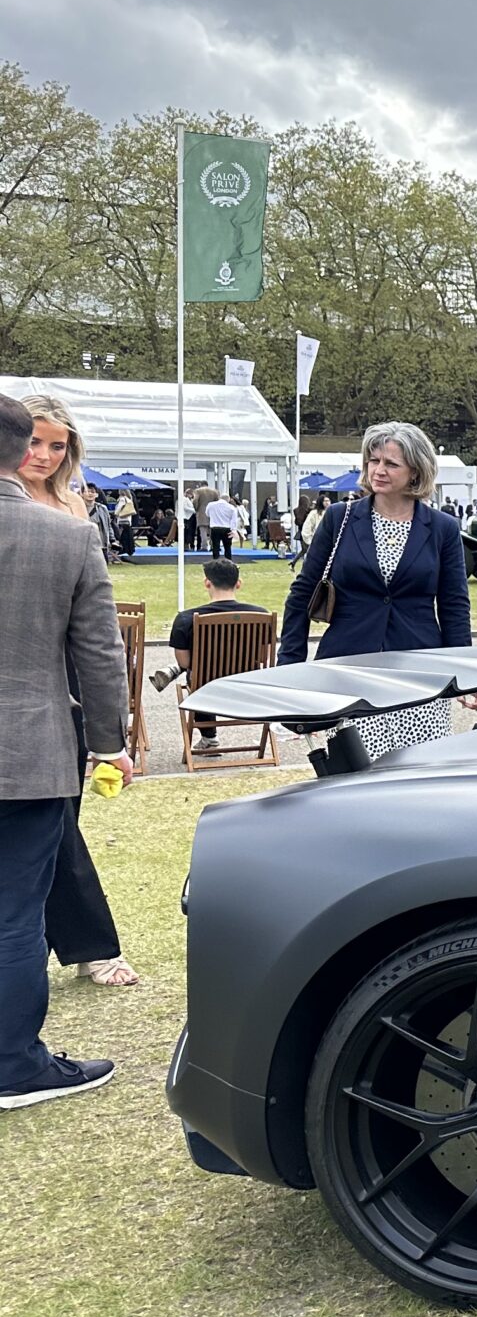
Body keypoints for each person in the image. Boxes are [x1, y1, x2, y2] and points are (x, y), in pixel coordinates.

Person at [0, 390, 131, 1111]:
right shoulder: (67, 538)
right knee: (15, 914)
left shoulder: (70, 526)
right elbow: (100, 656)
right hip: (29, 750)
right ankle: (14, 1065)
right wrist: (110, 743)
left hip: (32, 748)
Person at [16, 394, 140, 990]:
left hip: (63, 681)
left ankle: (68, 944)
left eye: (55, 445)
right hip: (27, 672)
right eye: (33, 441)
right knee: (51, 828)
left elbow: (95, 626)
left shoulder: (73, 509)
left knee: (60, 821)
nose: (42, 454)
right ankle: (75, 943)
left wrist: (108, 728)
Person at [283, 422, 477, 757]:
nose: (379, 470)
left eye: (391, 463)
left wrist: (468, 677)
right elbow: (302, 593)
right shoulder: (339, 518)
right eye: (373, 461)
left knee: (419, 779)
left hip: (421, 675)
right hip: (348, 669)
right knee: (354, 781)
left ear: (415, 471)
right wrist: (290, 666)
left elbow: (454, 605)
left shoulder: (442, 528)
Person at [155, 556, 273, 751]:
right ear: (239, 584)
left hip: (207, 688)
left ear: (207, 583)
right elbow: (262, 657)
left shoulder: (187, 619)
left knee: (196, 676)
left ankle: (209, 737)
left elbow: (184, 662)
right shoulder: (261, 615)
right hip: (249, 685)